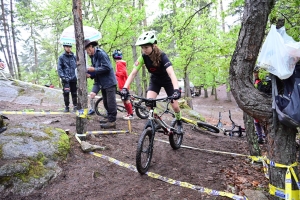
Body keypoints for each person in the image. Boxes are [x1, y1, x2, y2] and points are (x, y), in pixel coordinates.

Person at [121, 31, 183, 133]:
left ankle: (179, 121)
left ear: (153, 45)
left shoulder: (162, 56)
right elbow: (133, 73)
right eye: (142, 47)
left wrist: (176, 90)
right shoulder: (143, 57)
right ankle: (156, 120)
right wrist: (124, 88)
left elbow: (171, 73)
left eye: (146, 47)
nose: (144, 50)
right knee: (149, 103)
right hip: (155, 80)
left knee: (175, 106)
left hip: (167, 81)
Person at [85, 39, 118, 129]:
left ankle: (112, 121)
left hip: (109, 82)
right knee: (105, 102)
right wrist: (90, 75)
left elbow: (107, 67)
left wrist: (94, 70)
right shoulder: (93, 57)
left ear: (92, 47)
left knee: (111, 102)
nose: (88, 52)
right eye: (86, 51)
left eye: (88, 50)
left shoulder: (101, 54)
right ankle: (109, 118)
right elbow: (97, 71)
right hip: (102, 83)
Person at [112, 49, 134, 120]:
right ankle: (129, 113)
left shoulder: (119, 63)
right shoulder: (119, 63)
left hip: (124, 85)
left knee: (126, 100)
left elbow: (123, 73)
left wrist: (116, 74)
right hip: (122, 85)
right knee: (124, 100)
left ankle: (131, 114)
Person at [57, 42, 78, 112]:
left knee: (74, 93)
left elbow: (77, 66)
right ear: (64, 47)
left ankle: (75, 106)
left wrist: (77, 75)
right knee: (66, 93)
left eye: (69, 47)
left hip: (74, 78)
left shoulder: (74, 56)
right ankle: (67, 106)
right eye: (67, 47)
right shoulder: (61, 57)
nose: (68, 48)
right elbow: (59, 68)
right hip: (65, 78)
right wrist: (63, 77)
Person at [253, 68, 266, 144]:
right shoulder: (256, 81)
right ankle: (260, 137)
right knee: (256, 122)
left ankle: (264, 137)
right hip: (256, 104)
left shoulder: (263, 82)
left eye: (256, 73)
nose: (255, 74)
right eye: (254, 73)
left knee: (262, 122)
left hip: (261, 104)